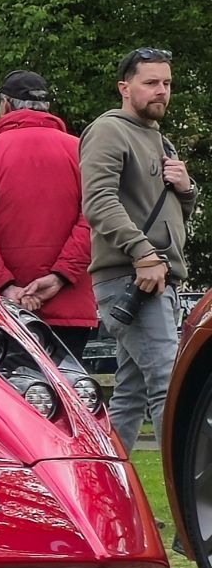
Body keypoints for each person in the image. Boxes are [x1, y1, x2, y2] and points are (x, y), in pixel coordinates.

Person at [84, 47, 198, 452]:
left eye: (166, 83)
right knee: (170, 389)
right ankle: (191, 499)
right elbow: (97, 202)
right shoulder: (109, 131)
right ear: (124, 87)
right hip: (133, 278)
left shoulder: (159, 138)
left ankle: (113, 496)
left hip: (154, 278)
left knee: (130, 397)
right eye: (150, 82)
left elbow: (171, 212)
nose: (161, 91)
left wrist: (186, 190)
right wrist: (143, 253)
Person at [0, 70, 95, 356]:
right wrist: (60, 277)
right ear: (48, 108)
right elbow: (97, 217)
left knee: (10, 395)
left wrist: (6, 287)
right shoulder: (82, 151)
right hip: (71, 303)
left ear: (5, 105)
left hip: (4, 309)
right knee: (70, 392)